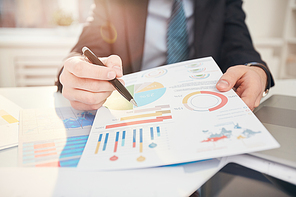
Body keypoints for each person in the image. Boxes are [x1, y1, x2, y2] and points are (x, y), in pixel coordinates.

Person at [56, 0, 274, 111]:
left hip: (200, 108)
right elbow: (85, 50)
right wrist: (76, 71)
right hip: (135, 111)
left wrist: (256, 70)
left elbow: (240, 47)